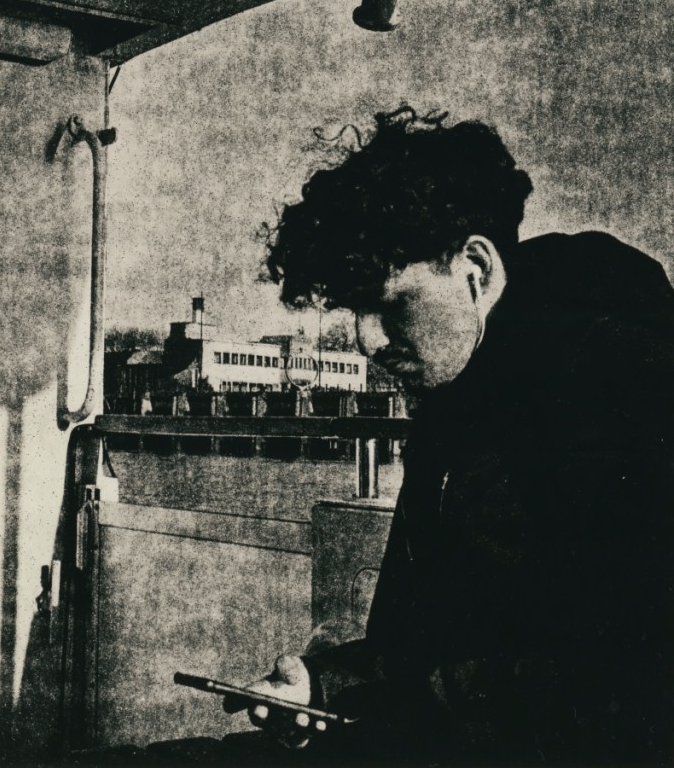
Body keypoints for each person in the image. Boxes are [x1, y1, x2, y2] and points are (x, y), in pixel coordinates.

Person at [225, 107, 674, 763]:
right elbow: (420, 640)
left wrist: (379, 706)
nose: (367, 340)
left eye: (390, 304)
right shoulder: (452, 398)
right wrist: (323, 687)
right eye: (355, 309)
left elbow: (617, 669)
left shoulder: (622, 383)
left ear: (477, 269)